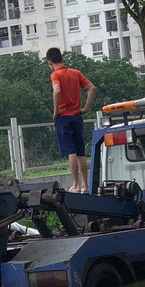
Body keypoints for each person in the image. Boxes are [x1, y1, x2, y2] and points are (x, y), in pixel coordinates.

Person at [46, 47, 96, 193]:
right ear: (62, 59)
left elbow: (57, 90)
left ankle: (75, 185)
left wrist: (56, 110)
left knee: (71, 151)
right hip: (77, 116)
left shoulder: (55, 75)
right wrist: (85, 108)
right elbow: (92, 88)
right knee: (81, 152)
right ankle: (85, 186)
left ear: (50, 63)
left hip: (63, 118)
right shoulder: (75, 73)